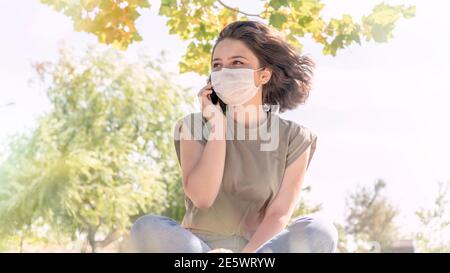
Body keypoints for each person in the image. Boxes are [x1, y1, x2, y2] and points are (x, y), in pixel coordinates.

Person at [129, 20, 337, 253]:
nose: (224, 71)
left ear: (264, 76)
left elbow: (278, 215)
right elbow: (202, 197)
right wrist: (217, 125)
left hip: (259, 254)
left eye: (237, 62)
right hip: (198, 252)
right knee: (147, 227)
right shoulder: (193, 126)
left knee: (320, 229)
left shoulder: (296, 137)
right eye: (217, 65)